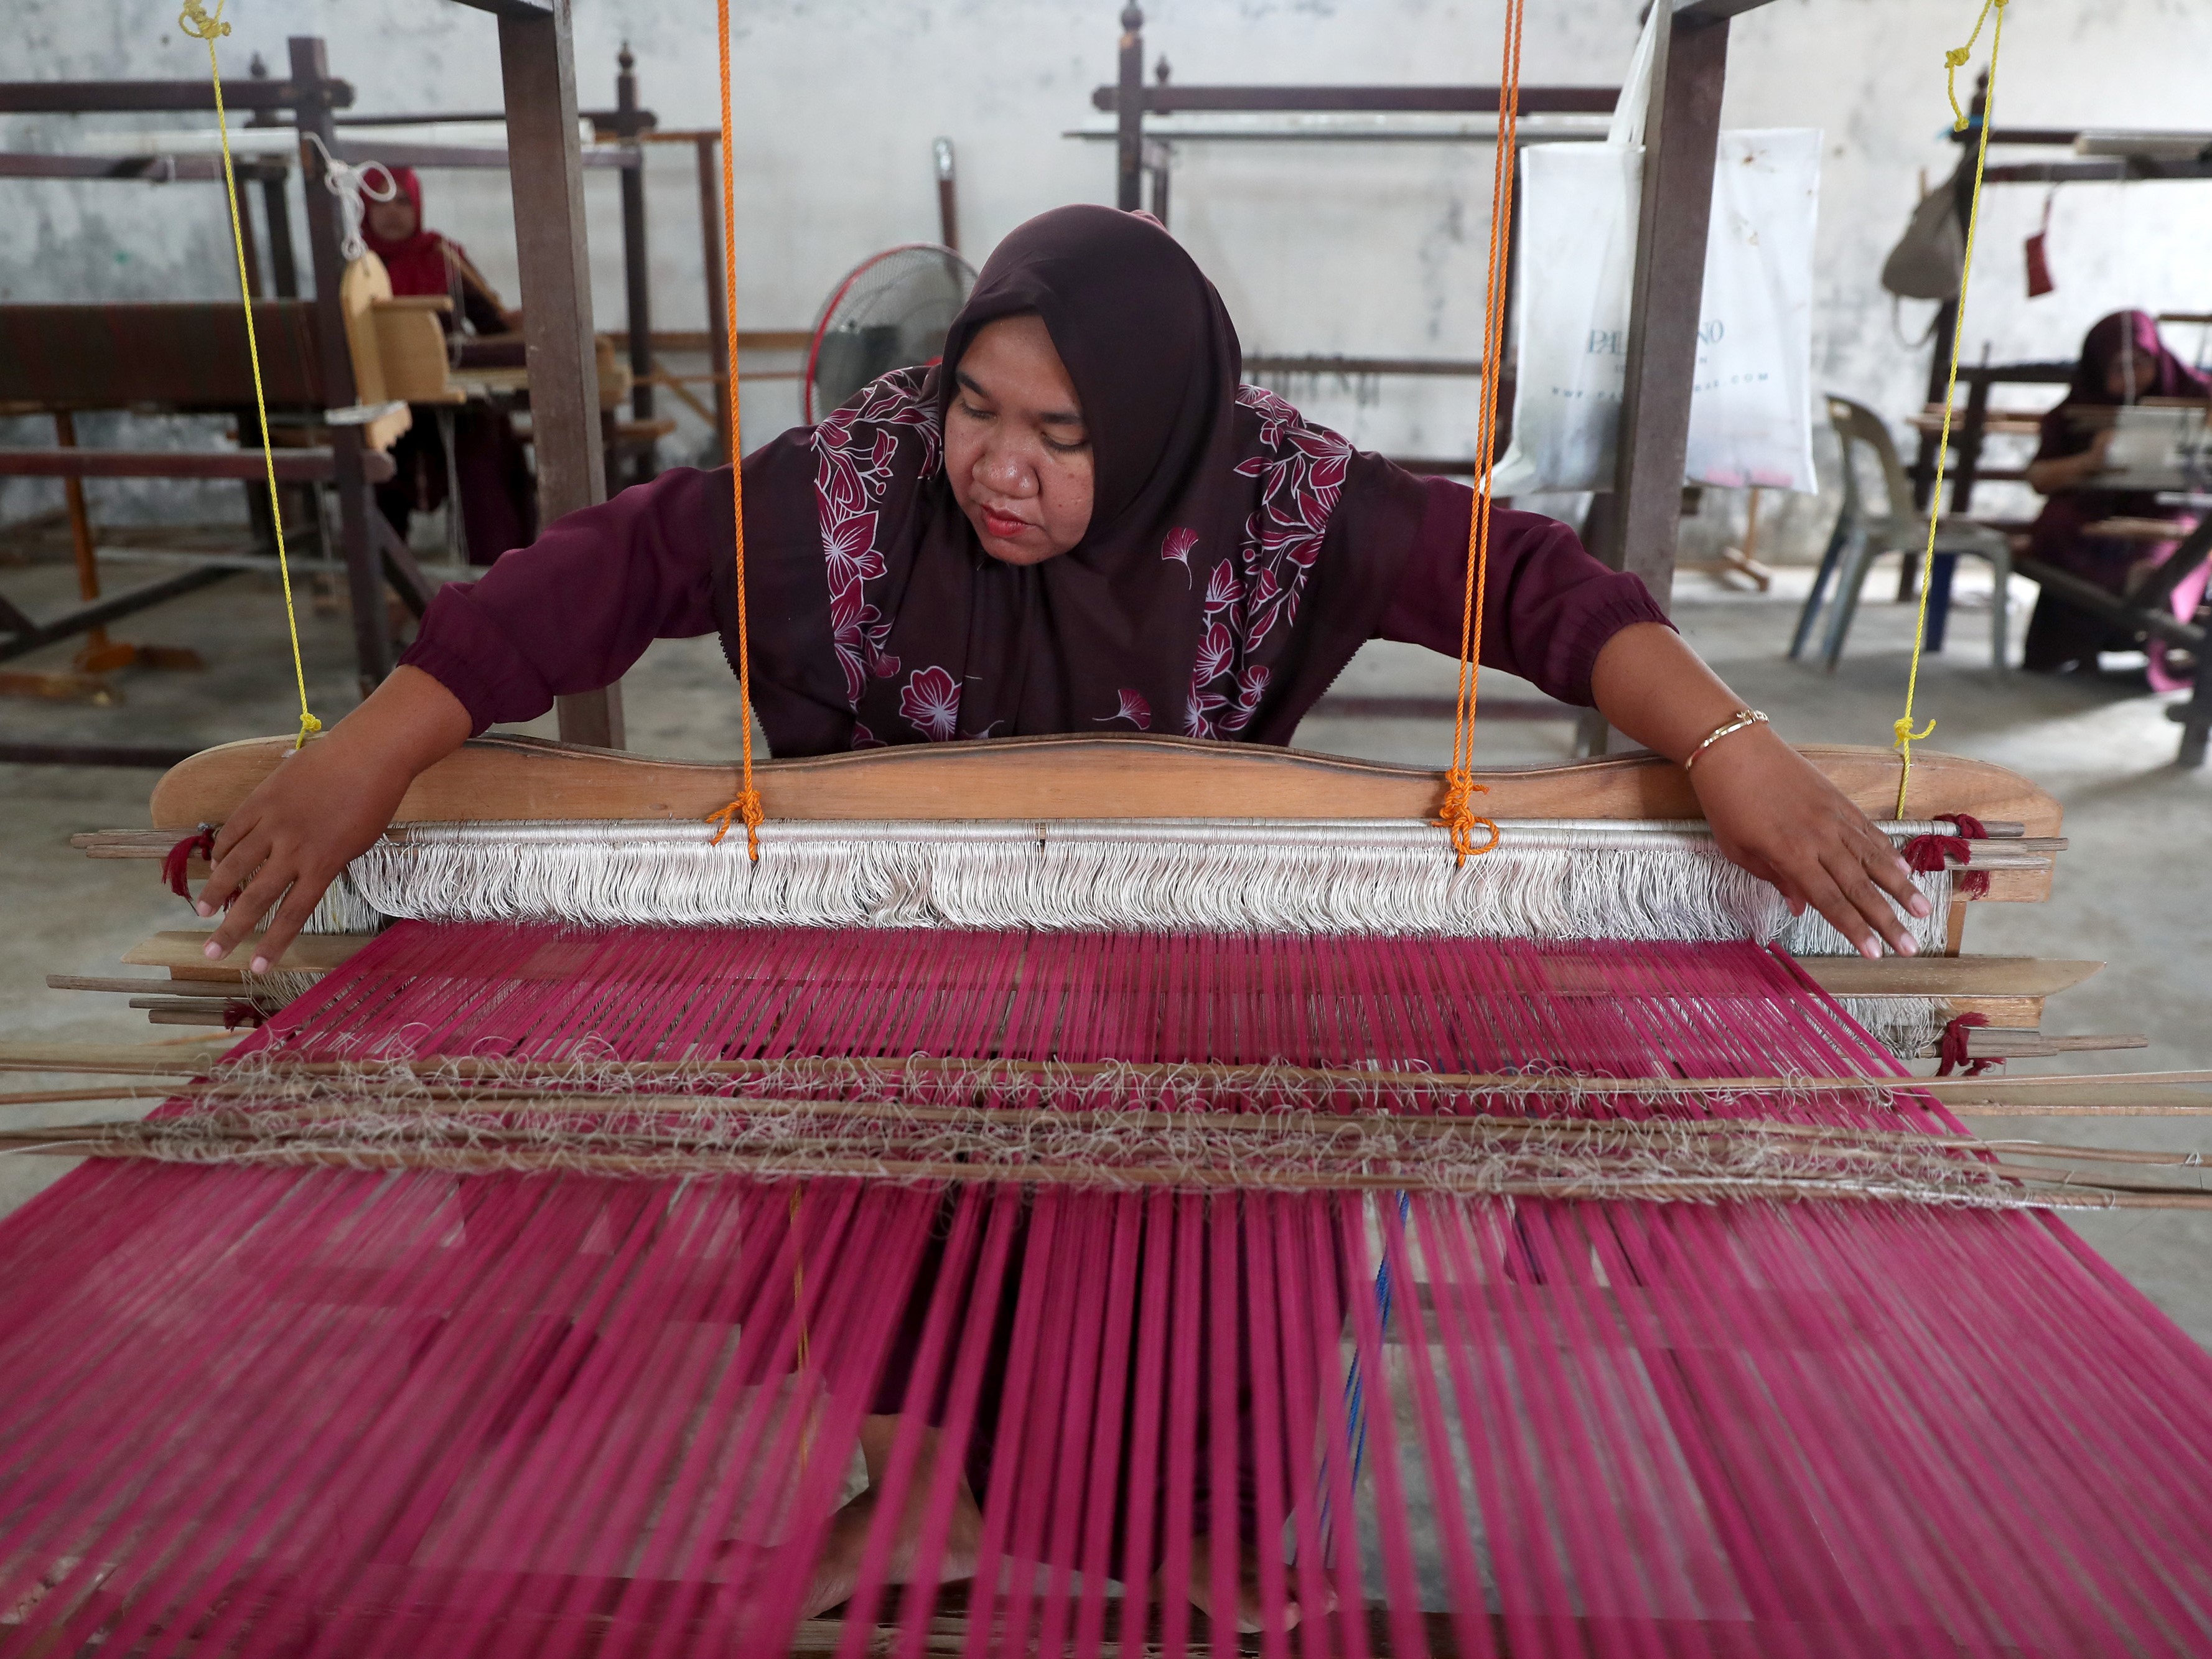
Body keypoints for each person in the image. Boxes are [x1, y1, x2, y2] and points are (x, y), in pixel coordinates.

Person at [189, 205, 1934, 1627]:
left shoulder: (1271, 504)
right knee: (857, 1122)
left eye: (1058, 432)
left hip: (1175, 948)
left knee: (1259, 1159)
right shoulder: (857, 496)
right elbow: (616, 569)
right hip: (896, 961)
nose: (992, 469)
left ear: (1160, 424)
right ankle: (918, 1491)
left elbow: (1536, 584)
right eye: (974, 409)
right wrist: (371, 758)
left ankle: (1198, 1530)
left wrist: (1727, 745)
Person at [362, 166, 539, 565]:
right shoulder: (356, 266)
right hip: (387, 404)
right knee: (372, 458)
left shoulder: (444, 256)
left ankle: (499, 572)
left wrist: (518, 325)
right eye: (381, 202)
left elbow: (491, 323)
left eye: (404, 202)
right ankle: (385, 580)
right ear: (364, 208)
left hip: (455, 404)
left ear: (418, 207)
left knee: (486, 452)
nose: (393, 213)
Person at [2020, 309, 2210, 685]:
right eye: (2117, 368)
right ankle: (2088, 627)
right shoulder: (2076, 408)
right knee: (2057, 524)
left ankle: (2153, 601)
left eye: (2139, 364)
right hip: (2091, 510)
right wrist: (2089, 462)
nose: (2129, 378)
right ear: (2096, 368)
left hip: (2170, 509)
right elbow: (2040, 477)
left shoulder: (2197, 395)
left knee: (2180, 545)